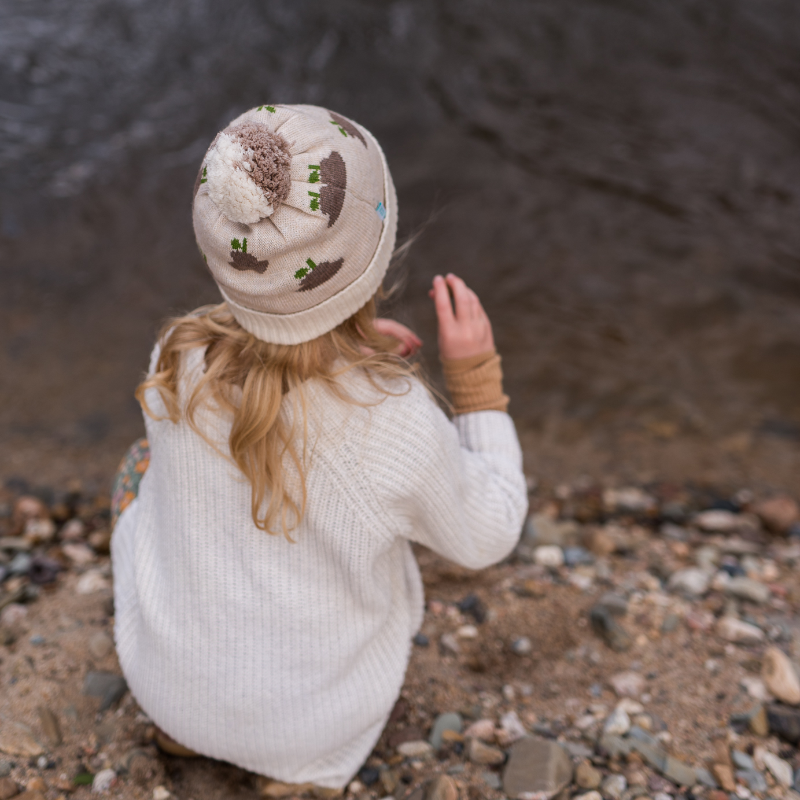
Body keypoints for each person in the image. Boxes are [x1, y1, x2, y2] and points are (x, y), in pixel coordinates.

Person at [110, 104, 528, 795]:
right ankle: (304, 780)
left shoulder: (178, 356)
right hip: (315, 729)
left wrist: (340, 342)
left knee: (140, 465)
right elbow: (491, 533)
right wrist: (476, 384)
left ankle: (187, 729)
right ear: (377, 248)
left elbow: (276, 369)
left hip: (167, 689)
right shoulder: (392, 421)